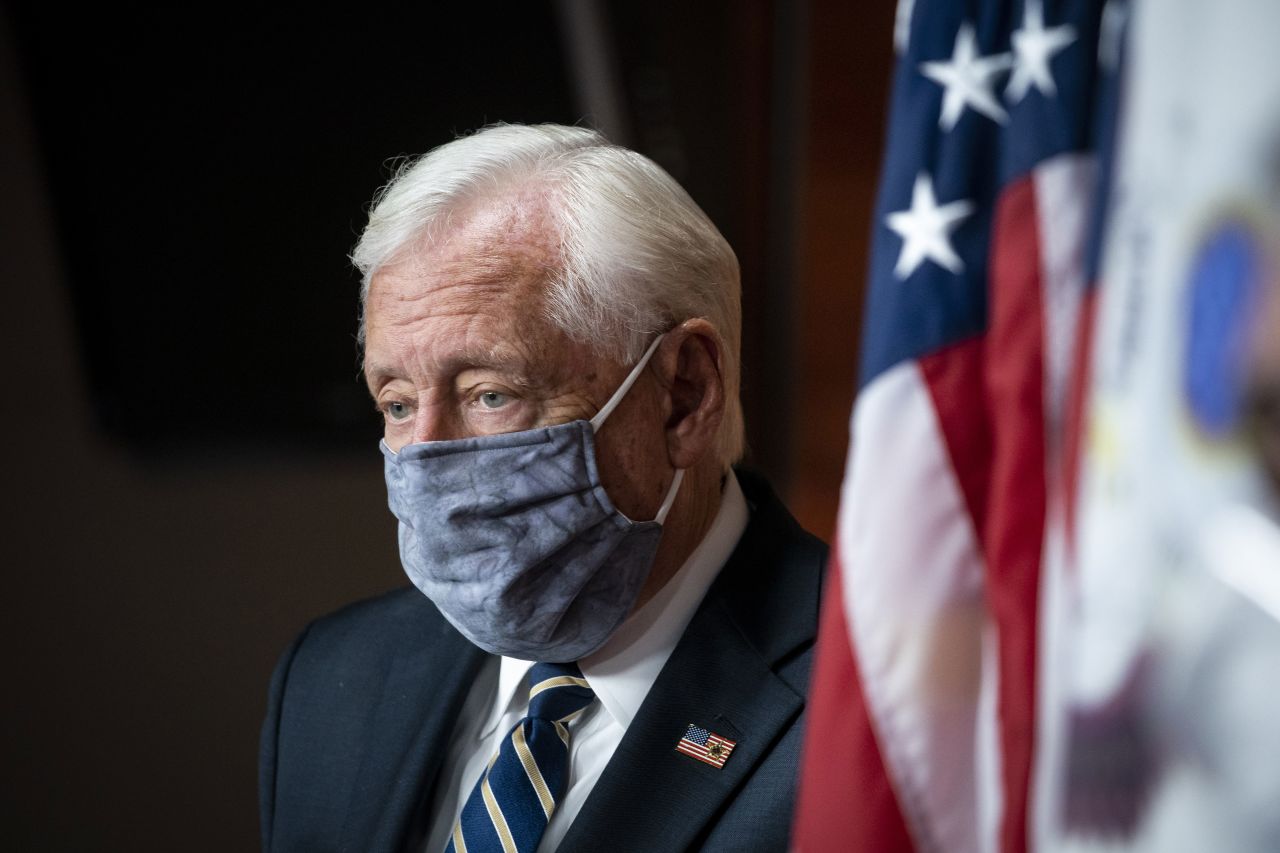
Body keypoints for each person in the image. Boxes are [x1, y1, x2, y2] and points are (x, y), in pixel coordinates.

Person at [259, 123, 826, 853]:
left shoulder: (895, 707)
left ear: (684, 394)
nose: (426, 455)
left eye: (490, 393)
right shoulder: (333, 680)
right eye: (397, 403)